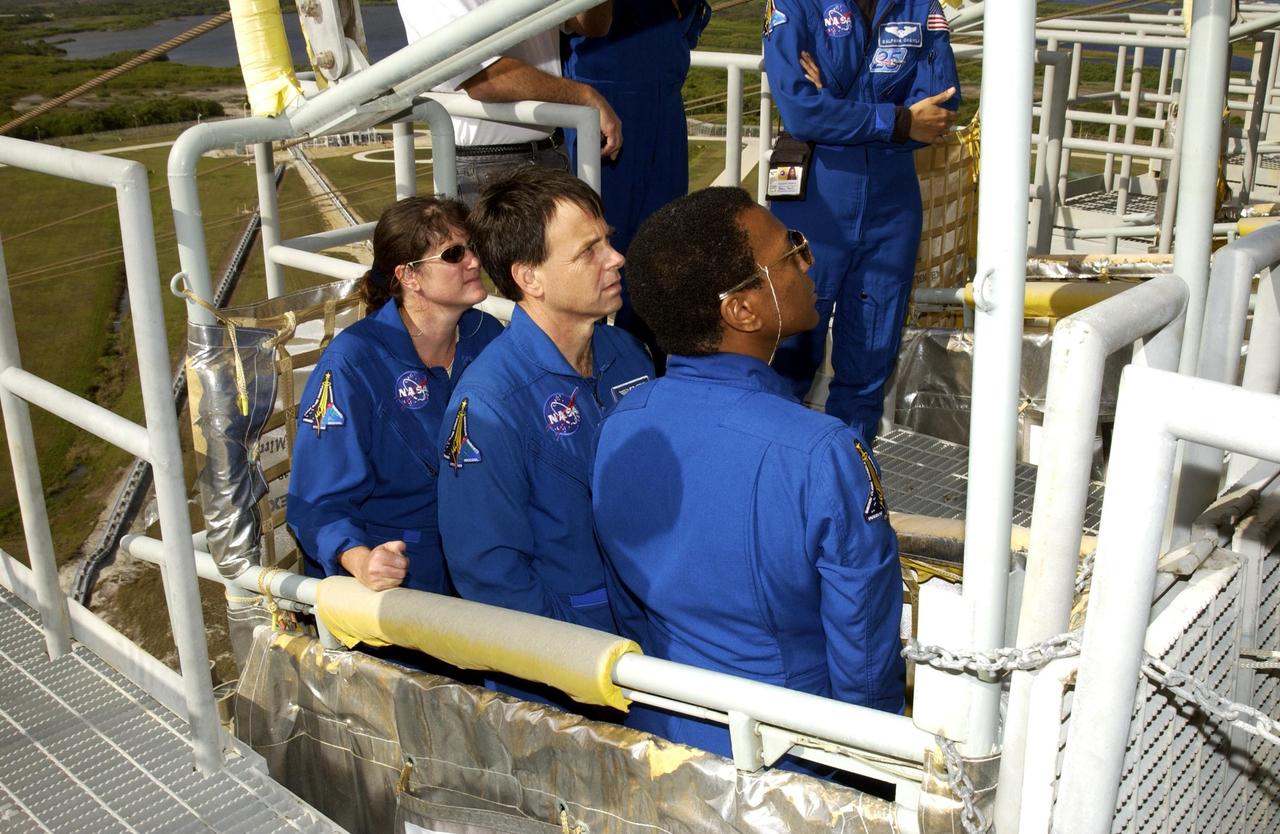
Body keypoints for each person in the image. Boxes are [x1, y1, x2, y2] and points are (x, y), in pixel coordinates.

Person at [591, 187, 904, 760]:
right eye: (791, 252)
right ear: (742, 311)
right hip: (792, 755)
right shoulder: (824, 452)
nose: (809, 263)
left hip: (659, 735)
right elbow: (863, 652)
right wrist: (875, 765)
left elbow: (627, 603)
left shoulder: (621, 422)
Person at [436, 167, 653, 633]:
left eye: (608, 240)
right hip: (576, 646)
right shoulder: (490, 406)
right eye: (589, 250)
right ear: (529, 277)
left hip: (650, 619)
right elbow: (489, 574)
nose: (616, 258)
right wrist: (581, 653)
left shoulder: (628, 354)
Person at [763, 0, 960, 442]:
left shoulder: (922, 6)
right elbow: (801, 111)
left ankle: (850, 473)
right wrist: (899, 120)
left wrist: (836, 106)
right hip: (815, 201)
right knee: (785, 363)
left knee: (869, 368)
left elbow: (941, 112)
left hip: (892, 211)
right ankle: (774, 472)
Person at [287, 196, 503, 594]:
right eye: (454, 254)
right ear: (409, 276)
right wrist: (362, 560)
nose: (474, 261)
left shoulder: (485, 335)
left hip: (484, 551)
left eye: (473, 247)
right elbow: (317, 501)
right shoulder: (353, 364)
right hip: (402, 570)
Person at [562, 0, 712, 365]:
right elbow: (588, 22)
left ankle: (646, 373)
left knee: (661, 257)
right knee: (593, 255)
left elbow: (687, 23)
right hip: (605, 103)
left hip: (665, 103)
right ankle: (586, 375)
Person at [397, 0, 622, 205]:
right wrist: (583, 96)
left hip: (551, 150)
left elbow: (593, 25)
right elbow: (484, 79)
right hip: (487, 166)